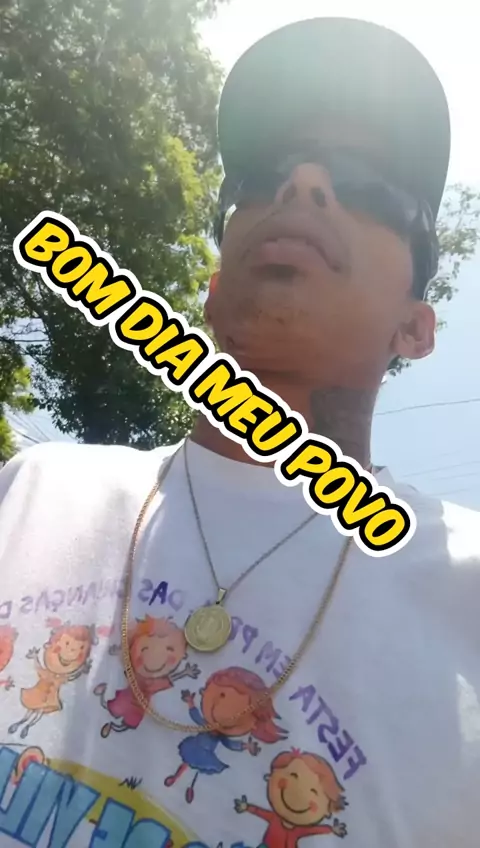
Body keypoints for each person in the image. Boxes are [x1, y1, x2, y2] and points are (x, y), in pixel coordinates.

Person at [0, 16, 478, 848]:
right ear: (213, 290)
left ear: (416, 327)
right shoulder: (31, 493)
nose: (301, 185)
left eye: (367, 187)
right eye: (261, 179)